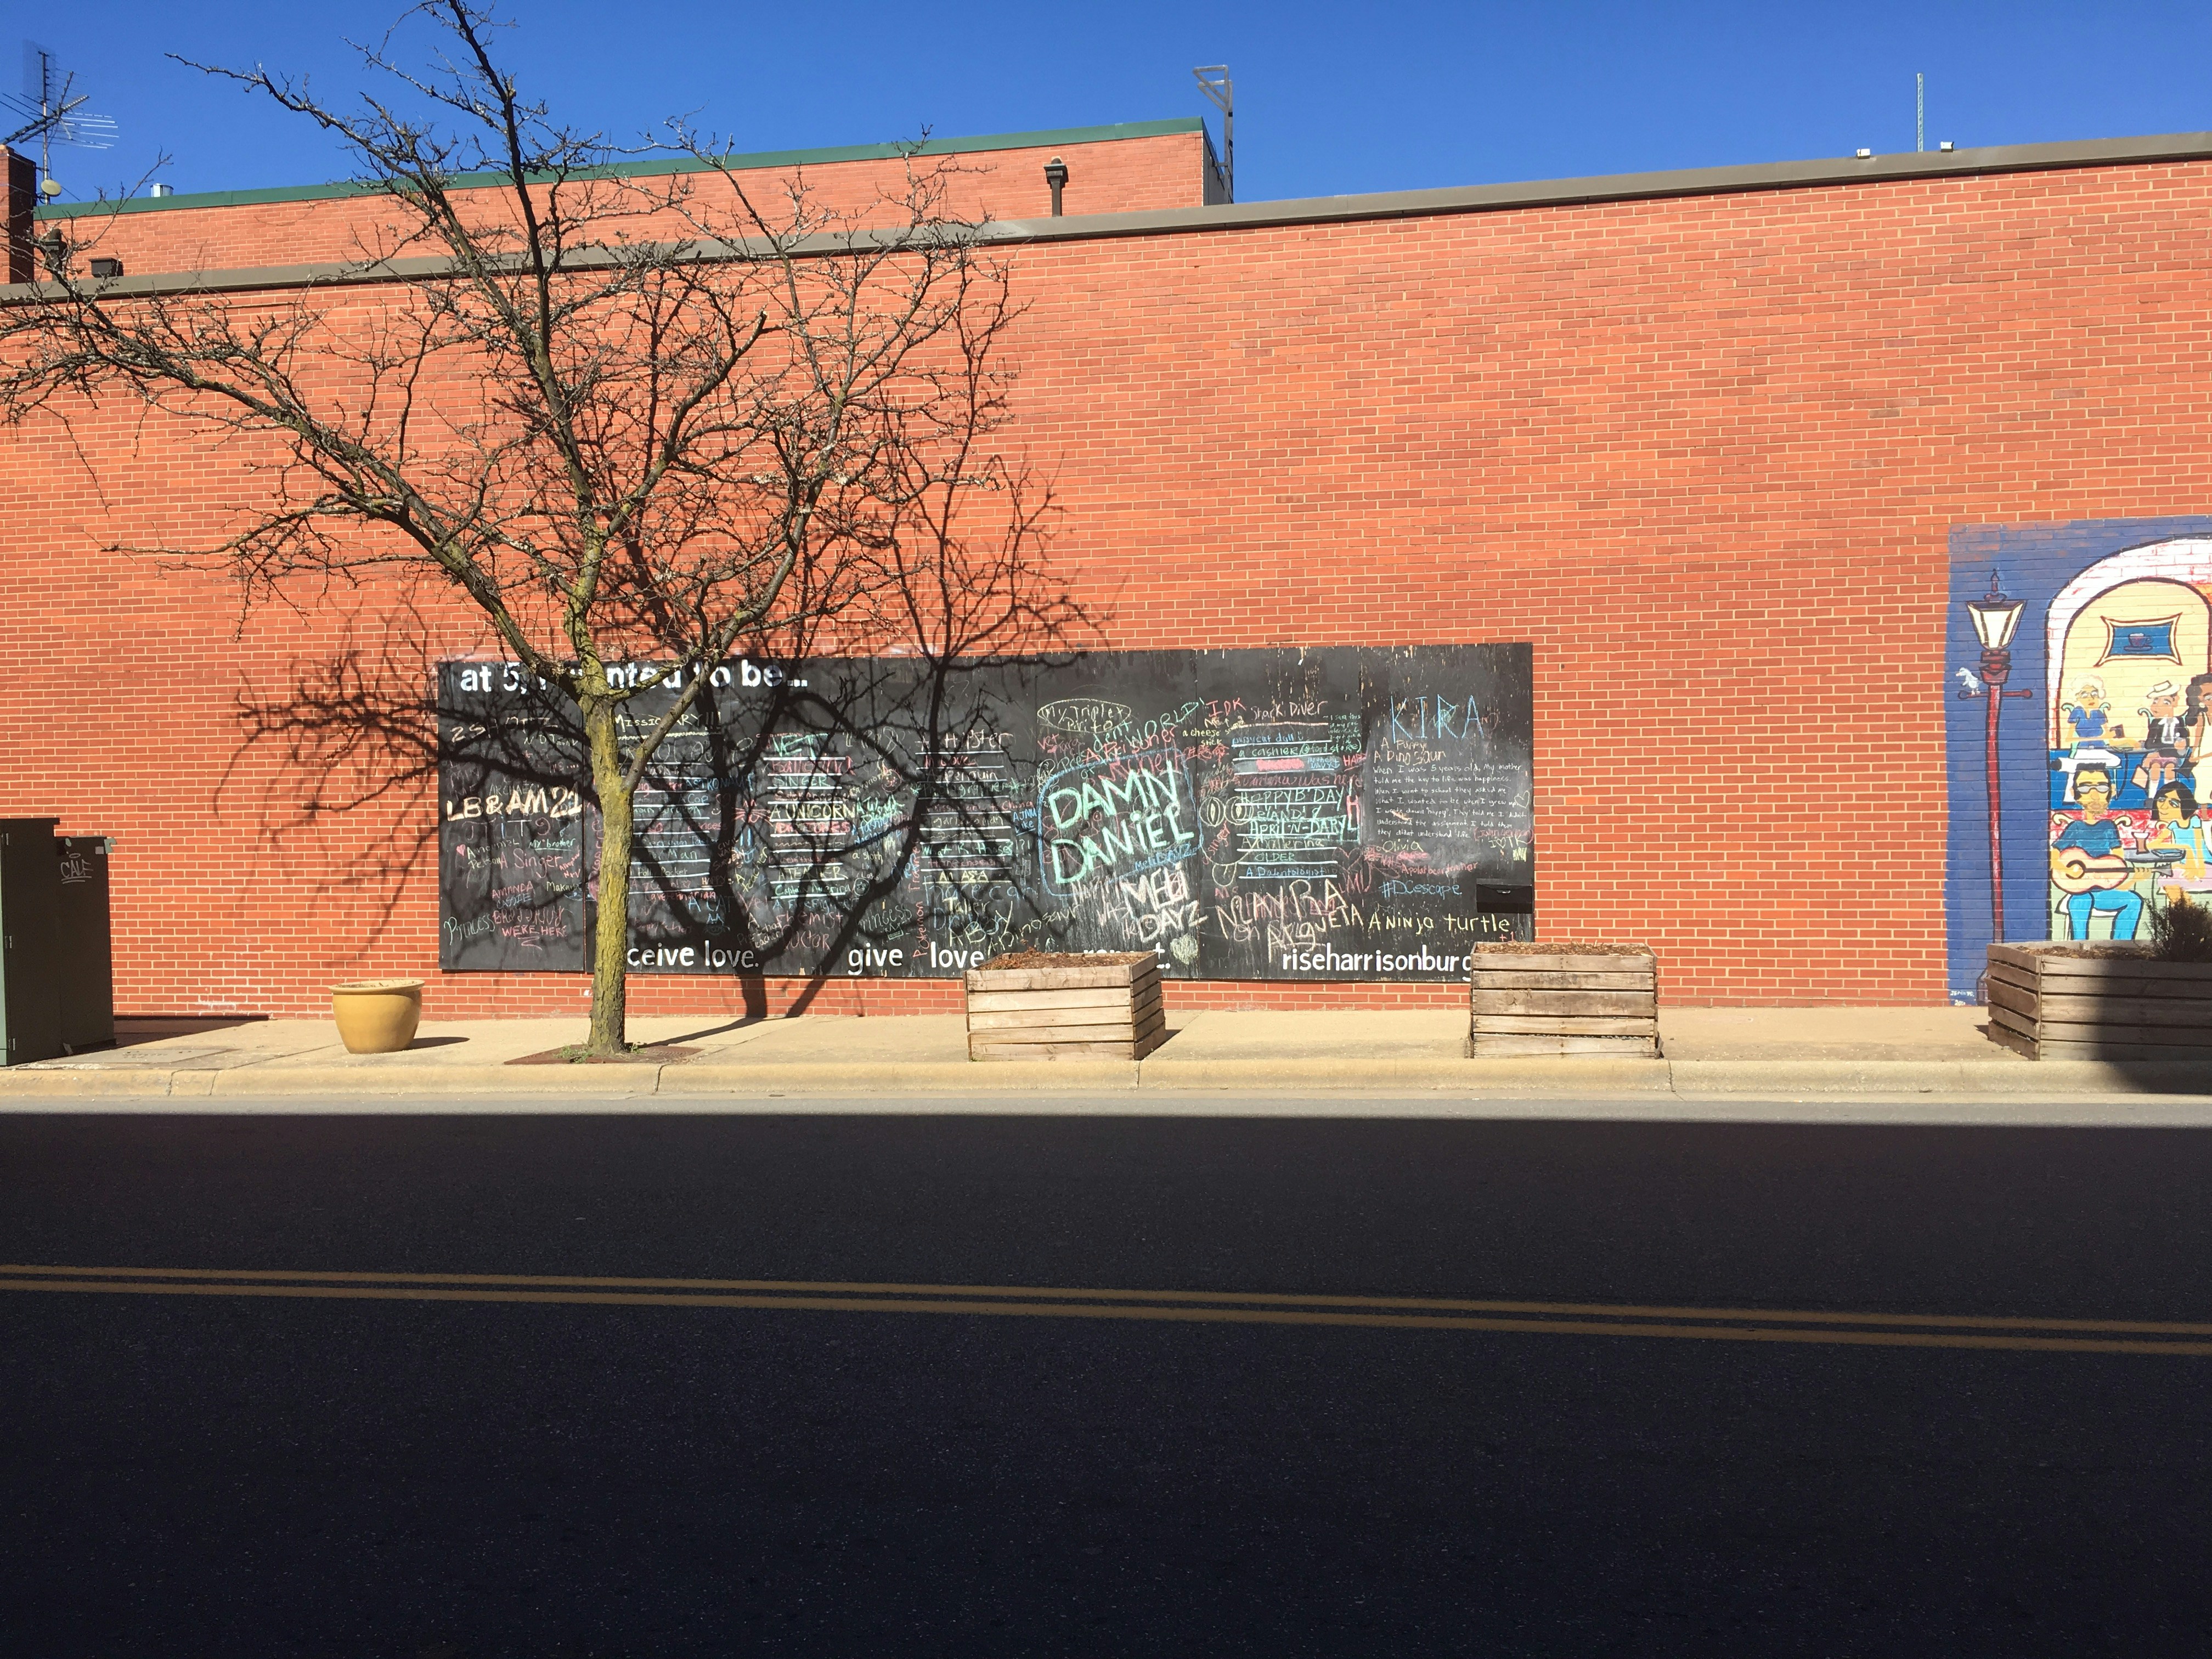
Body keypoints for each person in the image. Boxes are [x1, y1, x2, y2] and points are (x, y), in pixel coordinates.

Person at [2052, 764, 2143, 940]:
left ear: (2112, 790)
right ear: (2074, 792)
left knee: (2134, 901)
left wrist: (2135, 878)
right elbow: (2055, 855)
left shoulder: (2110, 827)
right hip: (2079, 890)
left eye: (2101, 787)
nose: (2094, 794)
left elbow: (2118, 863)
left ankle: (2120, 948)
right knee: (2081, 901)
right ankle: (2079, 947)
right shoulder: (2075, 828)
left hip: (2104, 892)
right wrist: (2067, 870)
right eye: (2085, 788)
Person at [2145, 780, 2209, 905]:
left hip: (2205, 867)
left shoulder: (2195, 821)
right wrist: (2185, 848)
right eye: (2162, 800)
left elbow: (2199, 850)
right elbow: (2152, 845)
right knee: (2167, 878)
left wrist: (2199, 871)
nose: (2164, 807)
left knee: (2168, 879)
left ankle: (2189, 913)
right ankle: (2188, 913)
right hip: (2186, 867)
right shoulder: (2173, 825)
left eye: (2173, 803)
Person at [2133, 680, 2188, 793]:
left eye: (2166, 702)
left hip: (2172, 757)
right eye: (2155, 702)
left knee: (2170, 770)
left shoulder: (2180, 723)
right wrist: (2169, 747)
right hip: (2157, 757)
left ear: (2175, 702)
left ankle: (2169, 794)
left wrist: (2182, 746)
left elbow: (2184, 742)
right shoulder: (2155, 724)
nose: (2158, 707)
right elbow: (2149, 744)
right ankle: (2152, 798)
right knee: (2155, 769)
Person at [2064, 678, 2112, 751]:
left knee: (2115, 761)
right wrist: (2091, 739)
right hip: (2084, 750)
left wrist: (2112, 735)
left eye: (2094, 694)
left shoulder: (2099, 714)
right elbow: (2069, 738)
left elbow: (2108, 735)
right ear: (2077, 697)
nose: (2091, 698)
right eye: (2084, 695)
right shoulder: (2078, 712)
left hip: (2101, 749)